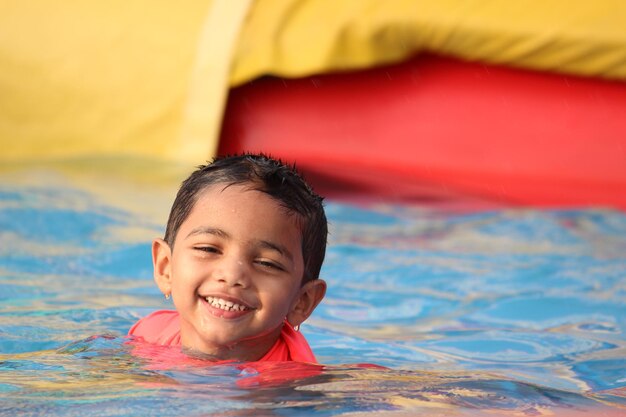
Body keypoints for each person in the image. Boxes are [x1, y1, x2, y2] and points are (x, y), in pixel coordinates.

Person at [128, 154, 328, 363]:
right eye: (208, 249)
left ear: (301, 302)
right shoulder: (148, 335)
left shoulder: (298, 387)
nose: (232, 275)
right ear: (165, 267)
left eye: (266, 263)